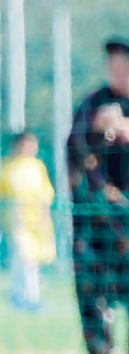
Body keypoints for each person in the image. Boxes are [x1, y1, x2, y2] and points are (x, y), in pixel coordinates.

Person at [66, 37, 129, 354]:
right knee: (92, 290)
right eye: (114, 66)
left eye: (127, 66)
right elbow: (77, 151)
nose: (120, 73)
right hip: (97, 219)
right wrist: (100, 131)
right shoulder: (94, 103)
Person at [3, 133, 56, 311]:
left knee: (34, 260)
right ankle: (23, 296)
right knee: (23, 258)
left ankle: (32, 297)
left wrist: (44, 214)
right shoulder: (8, 168)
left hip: (37, 222)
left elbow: (46, 193)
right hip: (17, 221)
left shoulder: (37, 166)